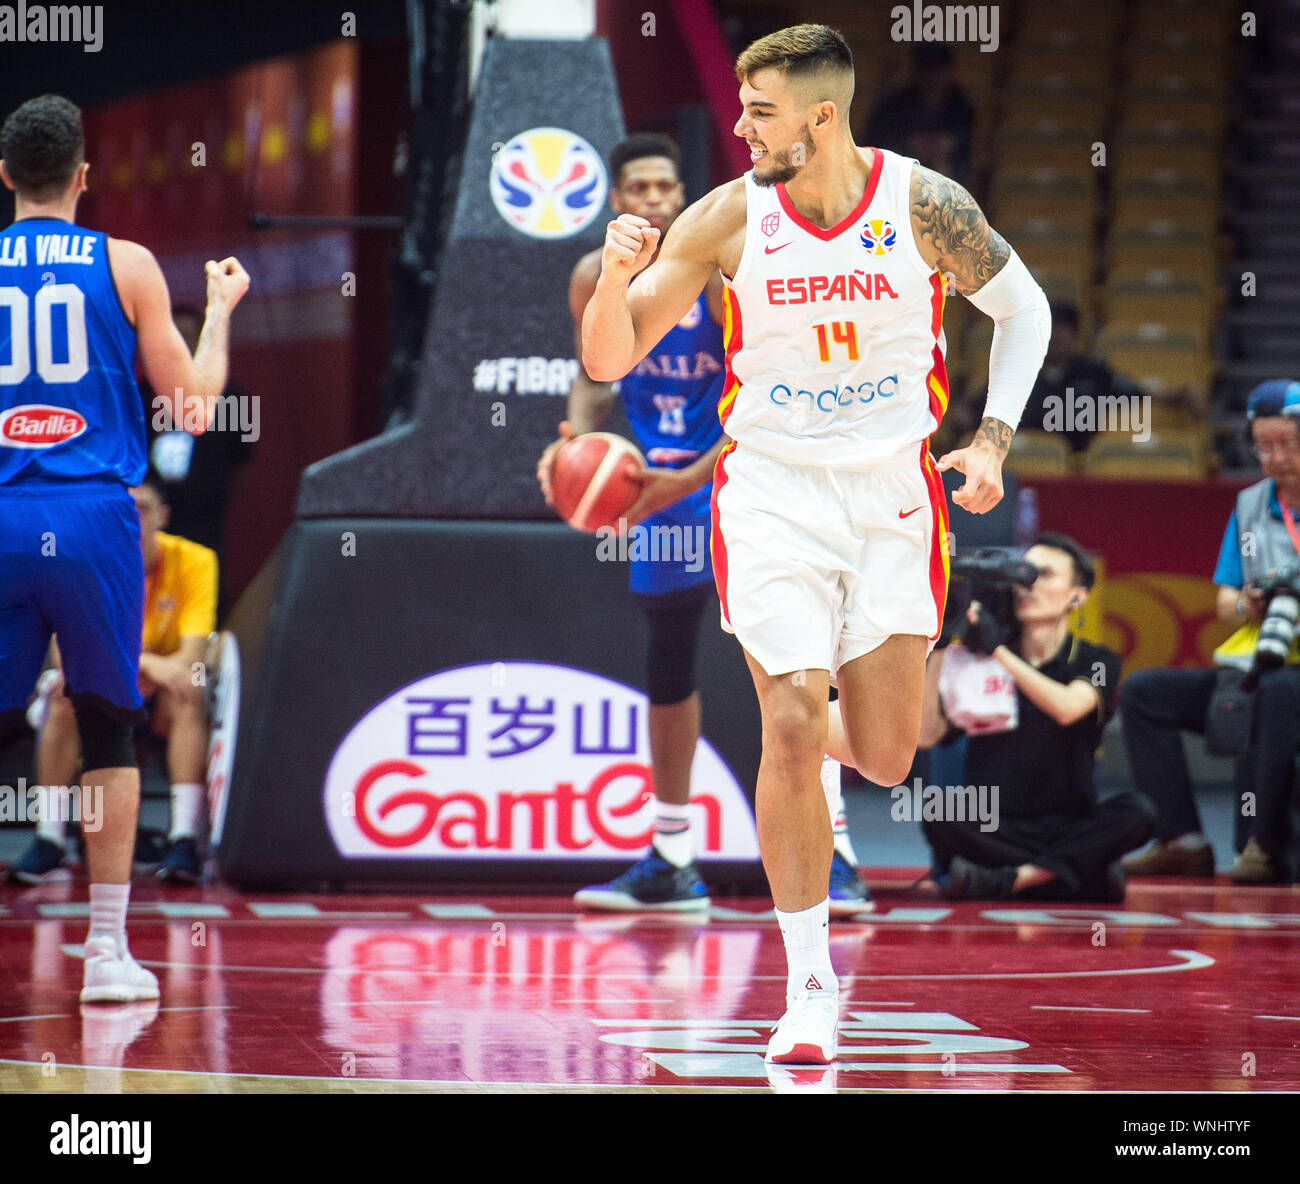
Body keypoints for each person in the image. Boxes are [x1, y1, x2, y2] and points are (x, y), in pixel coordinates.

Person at [581, 25, 1050, 1063]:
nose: (740, 126)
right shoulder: (727, 217)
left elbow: (1025, 311)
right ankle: (805, 985)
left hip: (891, 494)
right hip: (771, 493)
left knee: (886, 751)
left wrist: (992, 440)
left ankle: (826, 746)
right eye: (742, 107)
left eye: (759, 110)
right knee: (788, 721)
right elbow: (612, 352)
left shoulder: (920, 204)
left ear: (820, 116)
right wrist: (618, 276)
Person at [538, 133, 870, 916]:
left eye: (666, 185)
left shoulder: (722, 274)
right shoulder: (596, 275)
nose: (654, 199)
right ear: (617, 200)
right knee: (667, 666)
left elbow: (765, 400)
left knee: (798, 666)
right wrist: (573, 446)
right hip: (653, 485)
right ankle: (670, 855)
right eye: (639, 188)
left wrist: (681, 482)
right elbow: (593, 380)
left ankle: (841, 854)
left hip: (744, 473)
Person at [0, 94, 249, 1003]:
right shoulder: (128, 264)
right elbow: (193, 411)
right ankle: (105, 954)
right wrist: (219, 311)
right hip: (96, 516)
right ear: (83, 176)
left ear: (3, 177)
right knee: (107, 721)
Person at [1121, 381, 1300, 883]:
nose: (1275, 458)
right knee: (1143, 693)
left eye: (1287, 444)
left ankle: (1264, 845)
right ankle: (1181, 840)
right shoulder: (1249, 507)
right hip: (1253, 666)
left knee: (1279, 692)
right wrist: (1252, 602)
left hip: (1289, 680)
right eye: (1263, 447)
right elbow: (1225, 601)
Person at [8, 470, 218, 886]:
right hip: (101, 696)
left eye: (141, 509)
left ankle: (184, 839)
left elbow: (190, 658)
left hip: (159, 702)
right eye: (122, 510)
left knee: (190, 688)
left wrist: (136, 668)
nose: (132, 519)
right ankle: (50, 841)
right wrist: (145, 665)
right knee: (63, 692)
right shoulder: (78, 563)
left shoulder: (195, 560)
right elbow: (66, 658)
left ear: (162, 515)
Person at [917, 534, 1155, 900]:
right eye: (1023, 574)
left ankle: (1010, 880)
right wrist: (940, 645)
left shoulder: (1097, 661)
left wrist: (999, 652)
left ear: (1077, 596)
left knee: (1139, 811)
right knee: (937, 810)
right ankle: (1072, 874)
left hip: (1069, 822)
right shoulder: (979, 659)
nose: (1028, 585)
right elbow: (926, 737)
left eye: (1044, 575)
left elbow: (1067, 708)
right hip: (995, 823)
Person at [144, 302, 253, 617]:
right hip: (152, 520)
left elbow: (242, 462)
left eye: (190, 335)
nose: (182, 342)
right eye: (174, 335)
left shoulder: (234, 397)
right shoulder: (140, 392)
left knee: (205, 595)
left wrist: (213, 497)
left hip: (204, 522)